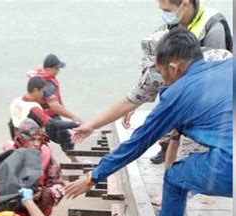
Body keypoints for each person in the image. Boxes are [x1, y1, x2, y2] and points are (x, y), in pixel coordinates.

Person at [64, 28, 232, 216]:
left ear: (174, 67)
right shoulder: (228, 65)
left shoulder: (176, 94)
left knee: (175, 178)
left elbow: (135, 145)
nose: (161, 79)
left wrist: (92, 177)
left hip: (228, 167)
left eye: (161, 72)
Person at [72, 0, 232, 163]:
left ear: (185, 4)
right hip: (184, 91)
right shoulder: (166, 31)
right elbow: (132, 98)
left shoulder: (213, 31)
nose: (165, 14)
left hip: (212, 104)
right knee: (174, 142)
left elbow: (213, 87)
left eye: (167, 10)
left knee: (191, 148)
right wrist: (92, 124)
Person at [27, 54, 82, 162]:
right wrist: (73, 117)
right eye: (56, 68)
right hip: (47, 117)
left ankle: (65, 160)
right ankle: (74, 162)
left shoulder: (39, 76)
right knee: (66, 138)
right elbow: (54, 106)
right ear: (48, 69)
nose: (58, 71)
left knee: (41, 140)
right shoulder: (48, 85)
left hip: (36, 115)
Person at [8, 76, 78, 153]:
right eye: (42, 91)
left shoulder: (16, 101)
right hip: (30, 143)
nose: (43, 95)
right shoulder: (33, 108)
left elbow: (11, 122)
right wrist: (76, 124)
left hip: (18, 139)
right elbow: (52, 123)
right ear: (35, 90)